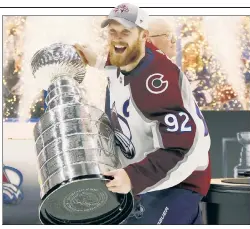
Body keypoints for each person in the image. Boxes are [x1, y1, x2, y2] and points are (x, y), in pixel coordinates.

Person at [74, 3, 211, 225]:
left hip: (179, 183)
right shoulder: (128, 63)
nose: (117, 38)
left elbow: (181, 148)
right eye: (112, 31)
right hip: (150, 180)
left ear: (144, 36)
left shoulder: (156, 81)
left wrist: (133, 176)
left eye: (126, 32)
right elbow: (122, 60)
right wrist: (98, 60)